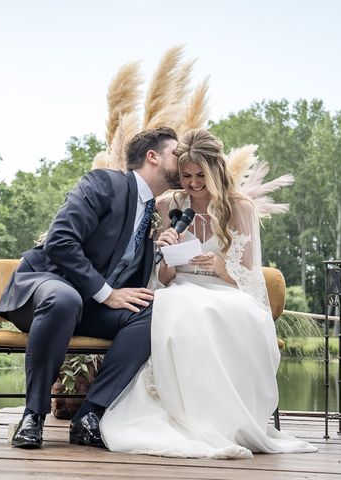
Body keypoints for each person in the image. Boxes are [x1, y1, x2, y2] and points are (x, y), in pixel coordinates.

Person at [99, 129, 317, 458]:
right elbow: (161, 277)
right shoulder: (168, 204)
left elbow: (248, 279)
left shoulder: (239, 207)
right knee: (181, 307)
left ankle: (223, 420)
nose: (193, 183)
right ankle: (182, 414)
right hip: (181, 287)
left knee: (220, 312)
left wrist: (218, 265)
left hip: (227, 288)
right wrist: (166, 256)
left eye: (201, 175)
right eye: (186, 176)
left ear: (215, 171)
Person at [0, 127, 182, 449]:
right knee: (64, 298)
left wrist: (161, 255)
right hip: (46, 289)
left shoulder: (154, 212)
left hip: (90, 307)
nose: (184, 159)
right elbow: (60, 241)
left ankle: (91, 413)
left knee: (153, 312)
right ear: (153, 156)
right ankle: (33, 416)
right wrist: (108, 294)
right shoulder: (102, 183)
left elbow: (129, 272)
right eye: (177, 154)